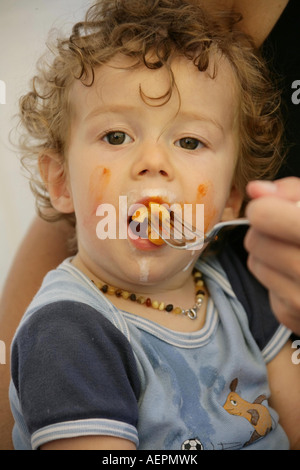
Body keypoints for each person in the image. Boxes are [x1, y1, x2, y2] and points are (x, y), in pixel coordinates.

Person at [7, 0, 300, 450]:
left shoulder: (240, 285)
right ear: (62, 182)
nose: (153, 163)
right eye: (117, 137)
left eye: (189, 140)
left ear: (230, 202)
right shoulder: (66, 333)